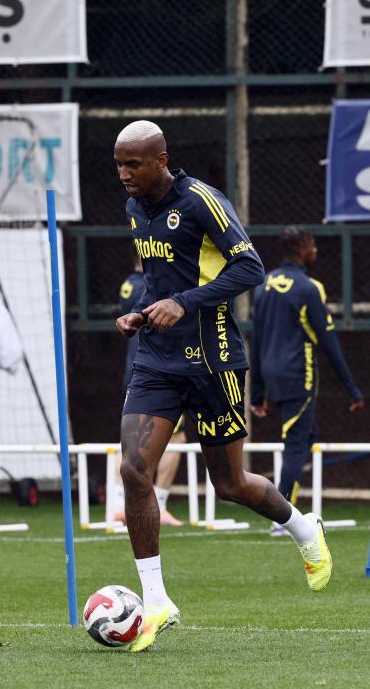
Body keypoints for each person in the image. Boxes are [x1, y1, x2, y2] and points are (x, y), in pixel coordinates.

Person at [114, 121, 333, 653]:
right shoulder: (135, 208)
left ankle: (304, 529)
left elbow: (250, 268)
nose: (124, 174)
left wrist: (183, 303)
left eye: (133, 164)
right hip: (157, 362)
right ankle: (157, 600)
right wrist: (141, 311)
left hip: (213, 363)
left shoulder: (201, 201)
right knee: (134, 470)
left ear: (161, 159)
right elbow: (162, 280)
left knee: (230, 485)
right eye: (118, 164)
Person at [250, 225, 364, 535]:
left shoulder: (265, 284)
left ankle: (287, 503)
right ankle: (282, 518)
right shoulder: (309, 288)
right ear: (301, 247)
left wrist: (257, 391)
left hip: (272, 373)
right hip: (298, 375)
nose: (315, 249)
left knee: (306, 433)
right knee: (296, 445)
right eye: (312, 244)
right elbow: (329, 342)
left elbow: (257, 338)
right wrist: (352, 388)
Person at [115, 252, 184, 527]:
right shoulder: (152, 287)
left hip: (134, 369)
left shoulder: (128, 284)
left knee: (129, 439)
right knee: (176, 439)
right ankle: (160, 503)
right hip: (155, 371)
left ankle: (120, 503)